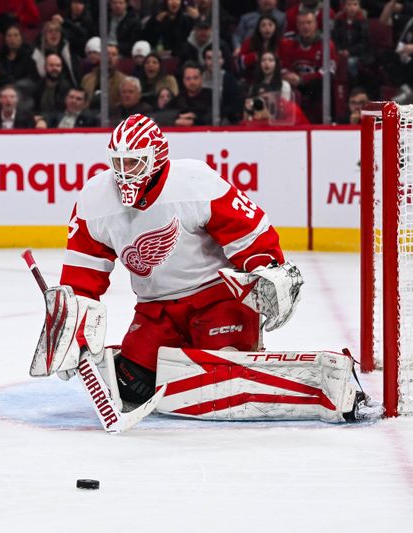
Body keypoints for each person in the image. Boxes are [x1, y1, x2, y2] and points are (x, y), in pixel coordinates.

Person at [33, 113, 351, 420]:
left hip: (219, 298)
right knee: (131, 385)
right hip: (156, 310)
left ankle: (227, 350)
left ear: (156, 158)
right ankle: (179, 358)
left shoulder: (194, 182)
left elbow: (248, 231)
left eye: (133, 162)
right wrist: (70, 328)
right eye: (118, 162)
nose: (124, 172)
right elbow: (82, 274)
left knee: (222, 374)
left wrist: (266, 268)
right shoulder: (94, 200)